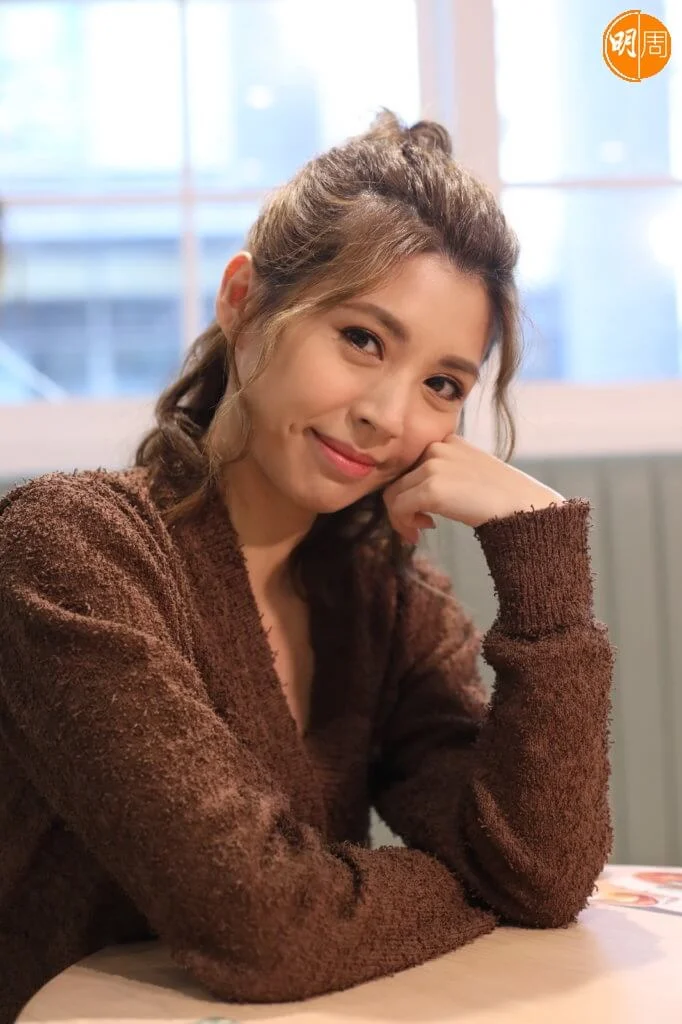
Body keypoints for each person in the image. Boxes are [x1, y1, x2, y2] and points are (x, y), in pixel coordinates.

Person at [0, 112, 613, 1022]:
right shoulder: (71, 550)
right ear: (243, 302)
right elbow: (266, 930)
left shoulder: (387, 601)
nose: (388, 415)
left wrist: (542, 553)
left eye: (441, 384)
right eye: (363, 338)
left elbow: (539, 871)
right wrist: (466, 885)